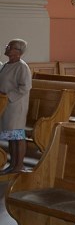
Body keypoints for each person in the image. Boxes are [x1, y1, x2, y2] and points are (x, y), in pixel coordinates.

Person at [0, 39, 32, 174]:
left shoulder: (22, 67)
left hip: (16, 106)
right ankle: (12, 164)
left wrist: (8, 96)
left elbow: (25, 87)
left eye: (10, 46)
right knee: (11, 136)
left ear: (18, 51)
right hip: (6, 105)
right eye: (8, 46)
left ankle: (19, 165)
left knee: (17, 136)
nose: (7, 48)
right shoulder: (6, 65)